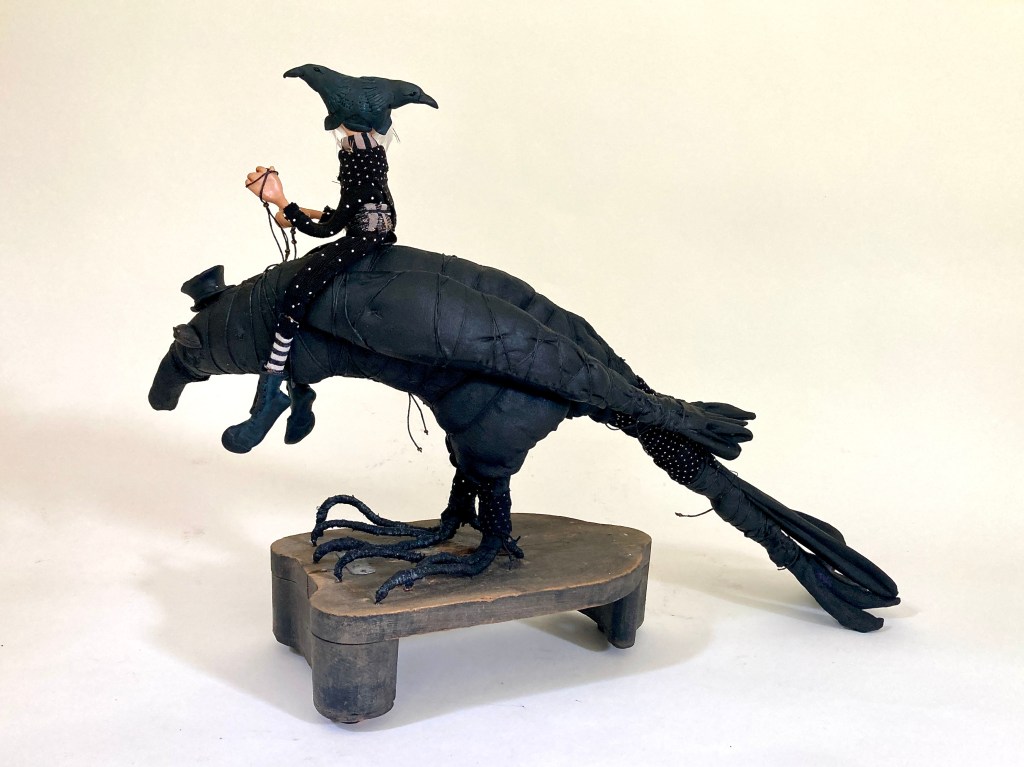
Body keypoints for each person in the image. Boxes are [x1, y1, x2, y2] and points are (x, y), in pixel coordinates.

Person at [221, 66, 436, 453]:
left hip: (364, 240)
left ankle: (270, 397)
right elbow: (355, 211)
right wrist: (302, 212)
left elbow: (332, 227)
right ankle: (299, 394)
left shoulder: (358, 160)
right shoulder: (373, 157)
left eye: (340, 125)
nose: (339, 134)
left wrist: (281, 199)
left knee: (296, 294)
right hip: (371, 234)